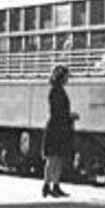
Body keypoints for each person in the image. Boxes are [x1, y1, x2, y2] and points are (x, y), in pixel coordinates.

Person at [42, 65, 75, 198]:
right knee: (53, 157)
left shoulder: (59, 90)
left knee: (58, 157)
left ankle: (55, 184)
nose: (68, 79)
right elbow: (57, 111)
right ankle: (47, 184)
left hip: (60, 126)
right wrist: (70, 116)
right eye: (66, 76)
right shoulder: (55, 91)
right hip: (57, 126)